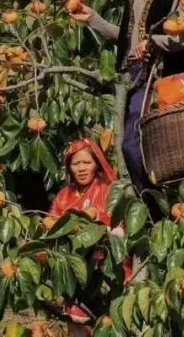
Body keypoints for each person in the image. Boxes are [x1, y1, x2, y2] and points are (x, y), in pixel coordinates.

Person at [70, 0, 184, 198]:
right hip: (132, 78)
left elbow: (183, 40)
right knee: (133, 145)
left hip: (157, 78)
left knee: (132, 145)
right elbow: (126, 38)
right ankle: (149, 198)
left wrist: (152, 43)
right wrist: (94, 20)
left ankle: (153, 200)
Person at [49, 139, 132, 333]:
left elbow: (118, 227)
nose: (81, 168)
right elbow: (52, 225)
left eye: (87, 163)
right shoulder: (63, 196)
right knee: (76, 325)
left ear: (97, 164)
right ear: (69, 168)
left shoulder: (108, 191)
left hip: (104, 264)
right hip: (73, 267)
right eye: (76, 164)